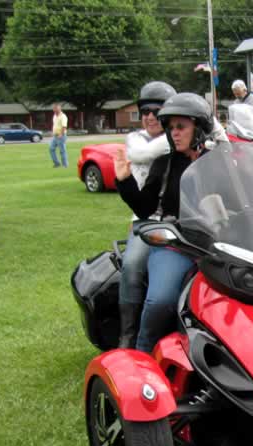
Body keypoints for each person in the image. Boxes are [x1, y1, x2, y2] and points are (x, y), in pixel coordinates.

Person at [113, 92, 213, 353]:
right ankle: (141, 352)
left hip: (215, 244)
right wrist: (125, 181)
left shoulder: (218, 160)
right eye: (171, 128)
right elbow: (145, 208)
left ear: (200, 129)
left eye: (181, 127)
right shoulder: (165, 163)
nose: (174, 133)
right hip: (175, 242)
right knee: (160, 300)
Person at [116, 80, 177, 348]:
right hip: (145, 219)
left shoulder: (182, 138)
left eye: (156, 110)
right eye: (144, 111)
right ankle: (128, 335)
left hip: (179, 221)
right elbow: (143, 153)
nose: (150, 117)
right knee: (132, 265)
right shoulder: (137, 140)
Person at [49, 103, 68, 167]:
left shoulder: (63, 116)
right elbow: (55, 125)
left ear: (59, 108)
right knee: (51, 149)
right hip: (55, 136)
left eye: (56, 108)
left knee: (62, 151)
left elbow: (64, 126)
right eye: (54, 108)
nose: (54, 110)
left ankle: (65, 165)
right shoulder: (54, 116)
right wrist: (53, 132)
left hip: (61, 136)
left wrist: (61, 134)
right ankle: (57, 163)